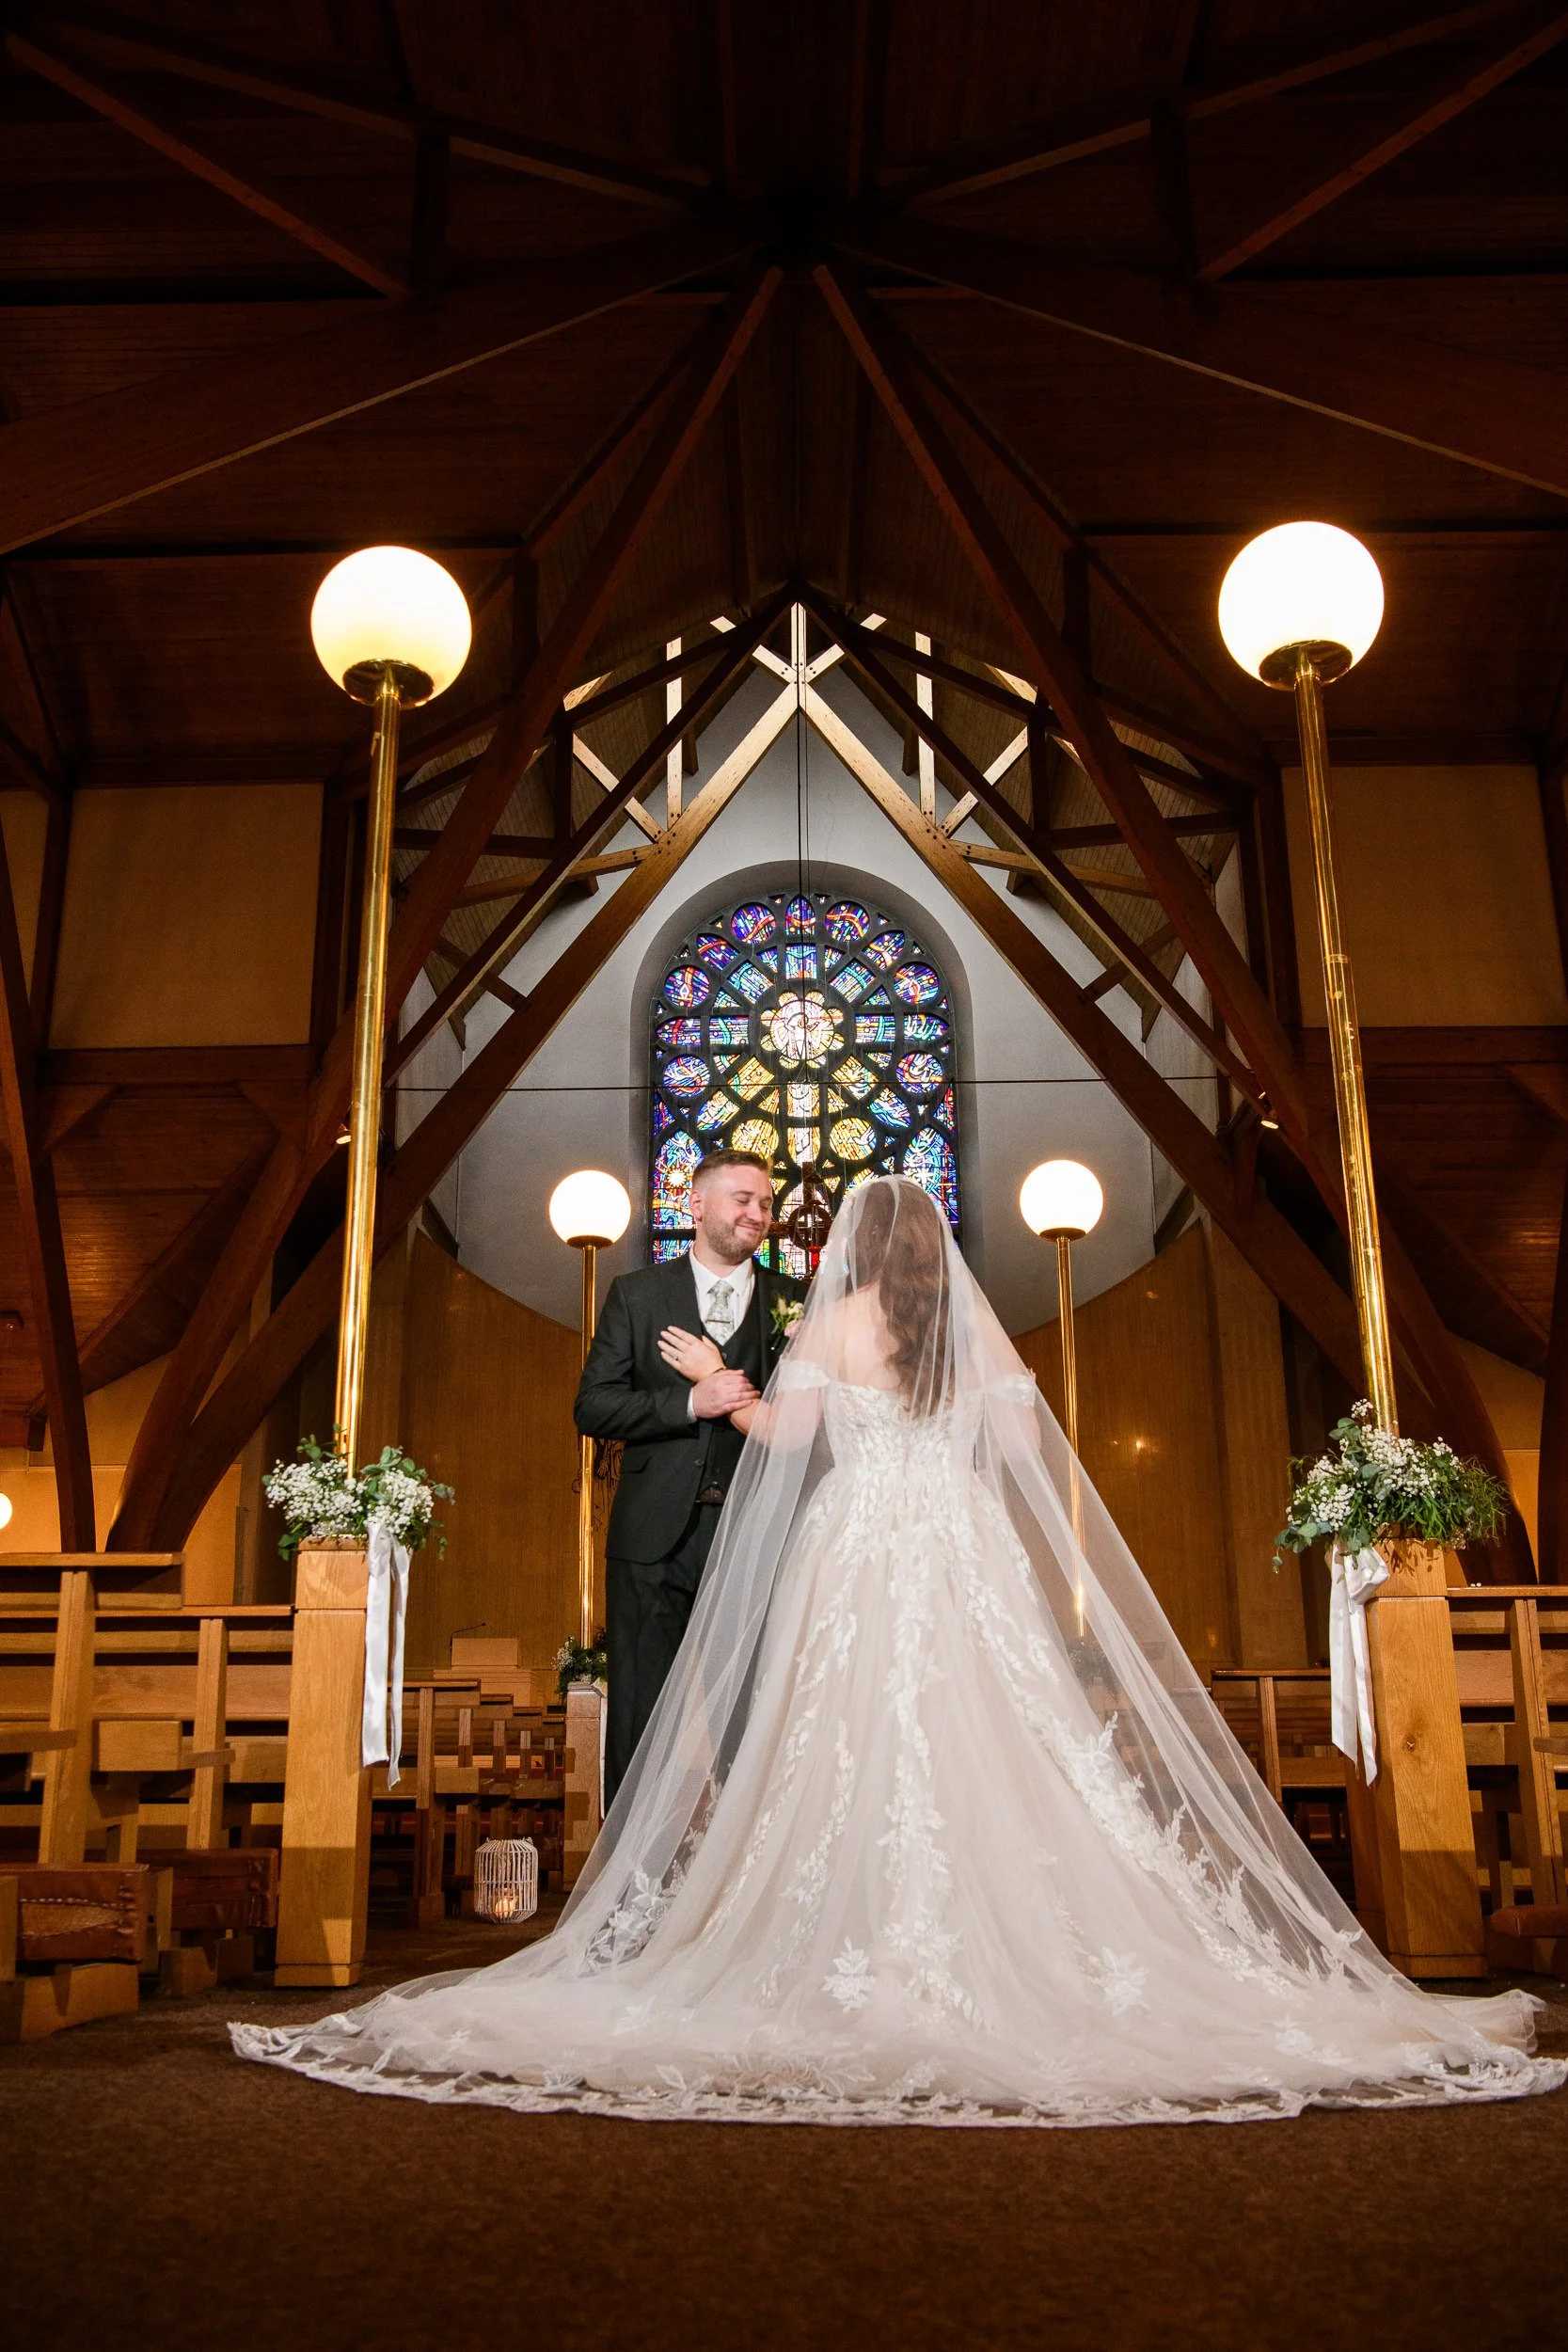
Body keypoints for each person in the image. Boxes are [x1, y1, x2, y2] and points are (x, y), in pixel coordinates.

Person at [234, 1178, 1565, 2127]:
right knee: (996, 1741)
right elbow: (1011, 1457)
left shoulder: (838, 1318)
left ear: (858, 1249)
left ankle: (832, 1937)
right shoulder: (960, 1333)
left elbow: (784, 1446)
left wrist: (728, 1383)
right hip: (955, 1553)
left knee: (842, 1747)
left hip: (857, 1554)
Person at [573, 1148, 798, 1804]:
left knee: (750, 1713)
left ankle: (742, 1875)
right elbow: (593, 1405)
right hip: (652, 1540)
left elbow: (806, 1421)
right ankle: (634, 1889)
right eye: (742, 1199)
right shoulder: (638, 1295)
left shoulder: (794, 1302)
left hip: (755, 1534)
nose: (757, 1213)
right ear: (695, 1205)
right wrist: (688, 1403)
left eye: (764, 1202)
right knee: (642, 1716)